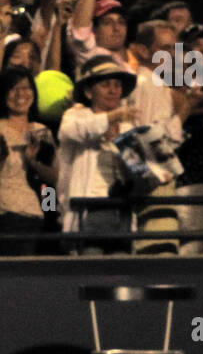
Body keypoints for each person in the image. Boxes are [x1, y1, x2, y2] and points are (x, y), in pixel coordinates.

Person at [55, 55, 139, 253]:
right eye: (106, 84)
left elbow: (136, 173)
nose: (113, 90)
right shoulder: (76, 115)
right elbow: (73, 131)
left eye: (117, 85)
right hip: (88, 209)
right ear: (88, 91)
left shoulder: (128, 125)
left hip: (121, 211)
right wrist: (110, 118)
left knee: (121, 277)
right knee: (91, 272)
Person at [0, 66, 57, 255]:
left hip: (34, 216)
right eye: (13, 88)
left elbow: (52, 182)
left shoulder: (42, 132)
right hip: (4, 214)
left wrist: (33, 162)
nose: (20, 94)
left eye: (26, 88)